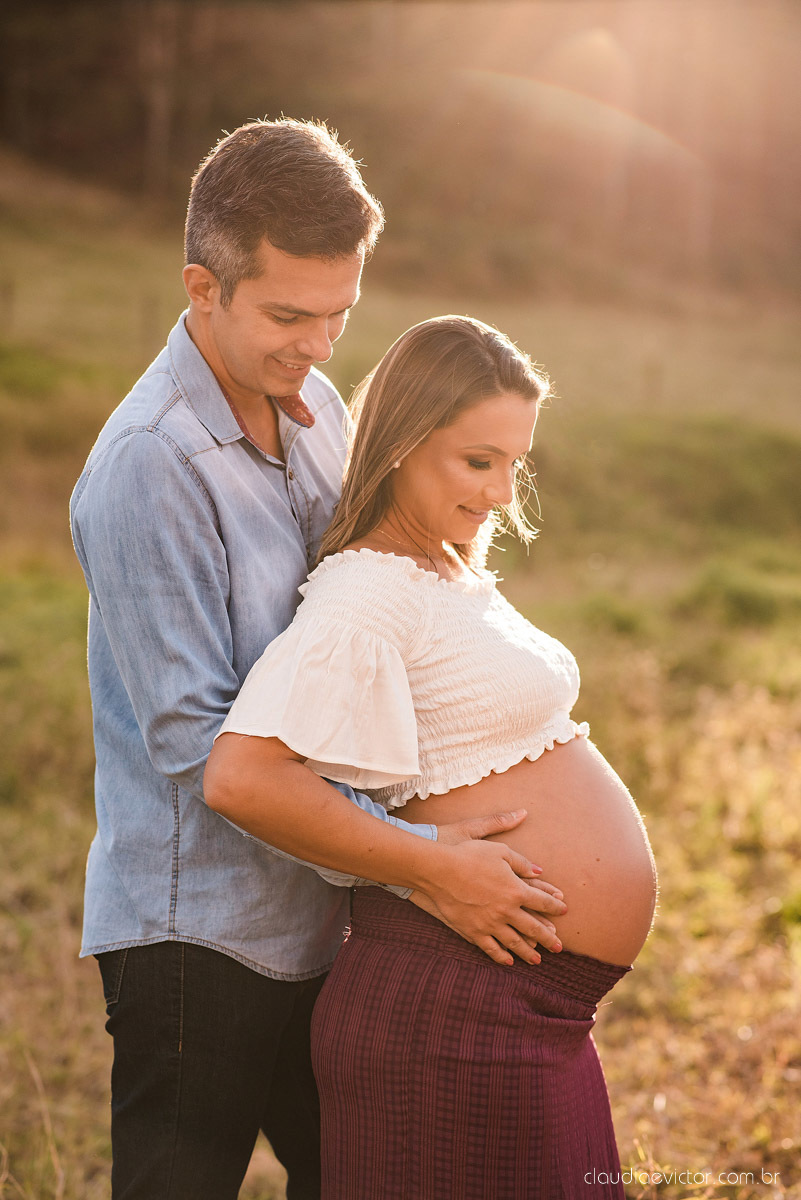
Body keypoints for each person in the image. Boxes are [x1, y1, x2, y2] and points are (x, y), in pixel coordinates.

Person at [69, 120, 566, 1200]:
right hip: (200, 938)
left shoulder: (317, 409)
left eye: (339, 313)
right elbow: (203, 753)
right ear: (204, 288)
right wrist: (425, 861)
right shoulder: (151, 466)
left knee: (357, 1177)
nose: (321, 344)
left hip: (326, 916)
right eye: (289, 316)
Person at [205, 315, 659, 1199]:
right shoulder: (366, 592)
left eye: (514, 463)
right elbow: (243, 776)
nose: (500, 491)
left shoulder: (444, 571)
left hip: (524, 1013)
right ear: (403, 442)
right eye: (477, 460)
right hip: (450, 1018)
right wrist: (431, 866)